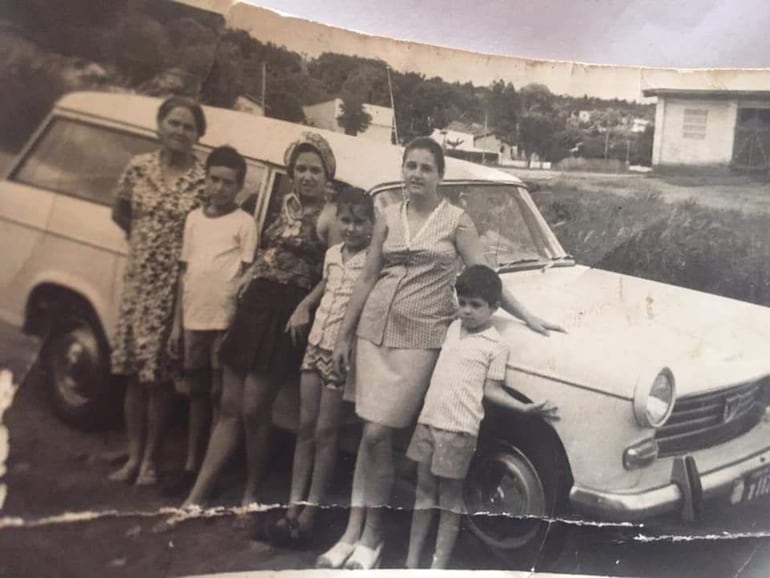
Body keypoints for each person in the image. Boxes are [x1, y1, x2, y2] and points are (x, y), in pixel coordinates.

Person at [322, 137, 562, 569]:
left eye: (425, 168)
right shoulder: (388, 217)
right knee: (368, 437)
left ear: (440, 175)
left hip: (421, 338)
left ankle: (373, 537)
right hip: (374, 333)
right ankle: (352, 532)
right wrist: (344, 334)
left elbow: (486, 277)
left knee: (379, 434)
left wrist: (529, 317)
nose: (415, 174)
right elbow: (367, 277)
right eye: (410, 166)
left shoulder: (456, 221)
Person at [183, 132, 338, 508]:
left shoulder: (332, 216)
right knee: (229, 405)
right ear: (291, 171)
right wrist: (249, 277)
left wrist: (305, 306)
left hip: (288, 314)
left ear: (327, 174)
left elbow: (335, 272)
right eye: (300, 168)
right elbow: (262, 252)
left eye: (315, 170)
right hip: (254, 307)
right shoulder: (278, 205)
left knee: (255, 408)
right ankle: (198, 493)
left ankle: (252, 490)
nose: (306, 176)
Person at [404, 265, 558, 569]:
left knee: (449, 500)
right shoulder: (451, 329)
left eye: (476, 306)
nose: (467, 311)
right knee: (422, 493)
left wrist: (525, 408)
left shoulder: (496, 346)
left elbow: (492, 390)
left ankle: (437, 567)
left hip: (459, 430)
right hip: (428, 423)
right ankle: (410, 564)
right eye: (462, 303)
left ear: (494, 308)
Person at [267, 187, 374, 547]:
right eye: (346, 220)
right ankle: (292, 507)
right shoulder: (332, 254)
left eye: (360, 222)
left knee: (327, 433)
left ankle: (311, 512)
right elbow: (324, 287)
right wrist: (303, 306)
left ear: (373, 225)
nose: (352, 228)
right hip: (314, 344)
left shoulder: (373, 262)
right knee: (305, 427)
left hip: (339, 353)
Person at [109, 96, 208, 486]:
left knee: (161, 380)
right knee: (134, 374)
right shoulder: (138, 168)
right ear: (160, 125)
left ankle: (150, 461)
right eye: (175, 123)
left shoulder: (202, 181)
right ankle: (133, 456)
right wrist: (141, 243)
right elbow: (121, 211)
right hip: (138, 285)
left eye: (189, 126)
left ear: (198, 135)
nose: (181, 132)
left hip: (173, 290)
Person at [164, 146, 258, 496]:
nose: (219, 188)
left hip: (225, 321)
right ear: (205, 180)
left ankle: (212, 468)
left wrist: (235, 324)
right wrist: (177, 324)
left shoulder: (245, 223)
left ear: (240, 187)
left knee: (222, 395)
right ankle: (191, 463)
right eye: (213, 180)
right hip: (193, 318)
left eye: (227, 183)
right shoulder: (193, 219)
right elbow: (184, 274)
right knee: (196, 392)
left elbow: (246, 277)